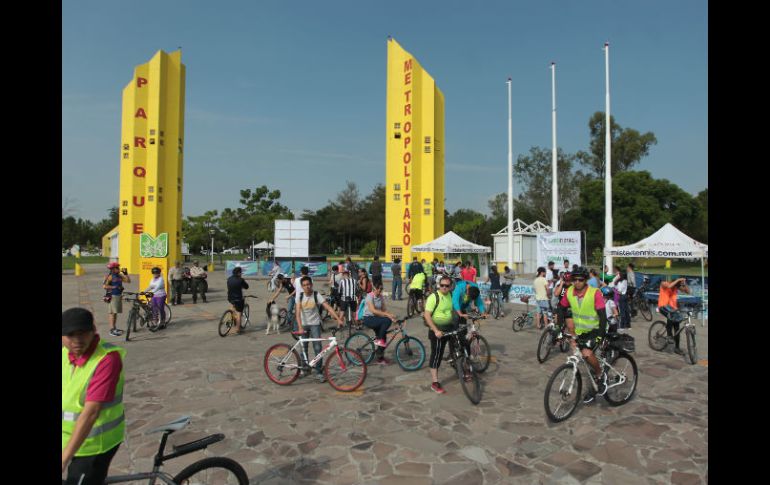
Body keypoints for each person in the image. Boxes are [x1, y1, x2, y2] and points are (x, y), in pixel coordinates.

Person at [62, 308, 125, 485]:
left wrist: (64, 459)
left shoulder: (107, 359)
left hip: (94, 444)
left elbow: (91, 413)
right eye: (70, 335)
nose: (77, 340)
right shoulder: (65, 354)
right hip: (67, 437)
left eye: (82, 333)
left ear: (93, 330)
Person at [558, 267, 609, 403]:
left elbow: (603, 316)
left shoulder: (594, 293)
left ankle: (600, 374)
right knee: (585, 364)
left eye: (580, 279)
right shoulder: (569, 291)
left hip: (596, 330)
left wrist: (600, 336)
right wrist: (559, 328)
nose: (577, 282)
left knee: (587, 354)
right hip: (581, 332)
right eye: (574, 279)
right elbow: (561, 308)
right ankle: (592, 388)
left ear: (586, 280)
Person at [295, 276, 344, 381]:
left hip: (315, 324)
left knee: (318, 348)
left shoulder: (316, 295)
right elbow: (297, 313)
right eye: (304, 285)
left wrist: (338, 319)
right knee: (303, 348)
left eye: (308, 284)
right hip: (303, 324)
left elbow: (328, 307)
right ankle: (305, 369)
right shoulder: (300, 296)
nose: (307, 287)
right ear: (302, 287)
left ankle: (318, 371)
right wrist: (300, 327)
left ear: (311, 284)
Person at [423, 275, 456, 394]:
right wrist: (436, 330)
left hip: (449, 328)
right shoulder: (434, 297)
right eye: (442, 285)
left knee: (457, 348)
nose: (444, 287)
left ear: (450, 286)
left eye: (447, 286)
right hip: (437, 330)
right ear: (439, 285)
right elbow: (427, 315)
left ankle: (460, 368)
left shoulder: (451, 295)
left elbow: (453, 309)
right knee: (437, 355)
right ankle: (435, 382)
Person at [360, 283, 397, 365]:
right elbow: (373, 310)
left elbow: (384, 310)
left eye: (381, 289)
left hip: (376, 318)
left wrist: (391, 317)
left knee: (384, 337)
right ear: (375, 289)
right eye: (379, 289)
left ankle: (380, 358)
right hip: (368, 318)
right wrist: (387, 316)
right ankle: (379, 339)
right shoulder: (369, 296)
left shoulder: (380, 297)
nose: (380, 291)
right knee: (386, 321)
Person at [657, 277, 691, 355]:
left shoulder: (675, 287)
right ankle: (669, 335)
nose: (678, 287)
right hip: (663, 306)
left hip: (672, 309)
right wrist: (678, 280)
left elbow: (688, 292)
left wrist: (684, 284)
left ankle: (677, 348)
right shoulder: (664, 284)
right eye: (678, 285)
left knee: (677, 327)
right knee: (671, 314)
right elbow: (669, 286)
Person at [102, 262, 130, 337]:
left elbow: (128, 281)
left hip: (118, 296)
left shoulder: (119, 275)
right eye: (117, 268)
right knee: (112, 313)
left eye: (118, 267)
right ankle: (112, 330)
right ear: (113, 269)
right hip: (113, 296)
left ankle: (114, 328)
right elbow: (104, 286)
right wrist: (114, 287)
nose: (119, 269)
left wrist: (126, 274)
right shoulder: (109, 276)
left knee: (115, 313)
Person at [227, 266, 249, 335]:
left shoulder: (229, 279)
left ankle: (230, 318)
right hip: (238, 299)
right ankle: (237, 329)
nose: (241, 274)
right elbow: (246, 287)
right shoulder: (241, 280)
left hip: (230, 297)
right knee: (239, 313)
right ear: (239, 273)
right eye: (241, 272)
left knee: (233, 307)